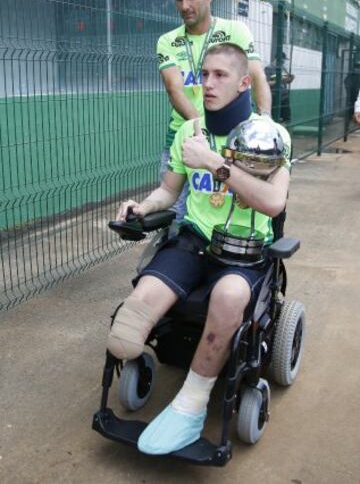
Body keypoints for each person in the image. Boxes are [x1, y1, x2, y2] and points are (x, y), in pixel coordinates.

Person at [107, 43, 291, 455]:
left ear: (245, 82)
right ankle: (140, 354)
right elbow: (169, 190)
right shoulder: (190, 133)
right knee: (131, 319)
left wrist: (214, 163)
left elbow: (274, 202)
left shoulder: (270, 136)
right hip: (194, 240)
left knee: (228, 297)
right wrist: (144, 206)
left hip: (246, 248)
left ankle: (191, 406)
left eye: (220, 75)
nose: (207, 83)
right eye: (204, 74)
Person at [157, 0, 272, 220]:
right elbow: (174, 89)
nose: (184, 5)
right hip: (185, 140)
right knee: (173, 219)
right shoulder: (168, 41)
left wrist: (265, 123)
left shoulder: (236, 31)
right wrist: (200, 130)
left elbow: (256, 76)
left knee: (236, 215)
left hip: (232, 141)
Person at [265, 52, 294, 124]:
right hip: (274, 96)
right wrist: (278, 80)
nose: (283, 62)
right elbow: (266, 84)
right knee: (274, 119)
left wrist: (290, 79)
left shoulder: (283, 68)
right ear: (276, 59)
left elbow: (286, 81)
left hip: (284, 96)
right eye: (282, 60)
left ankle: (284, 133)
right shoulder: (269, 68)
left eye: (284, 60)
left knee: (287, 119)